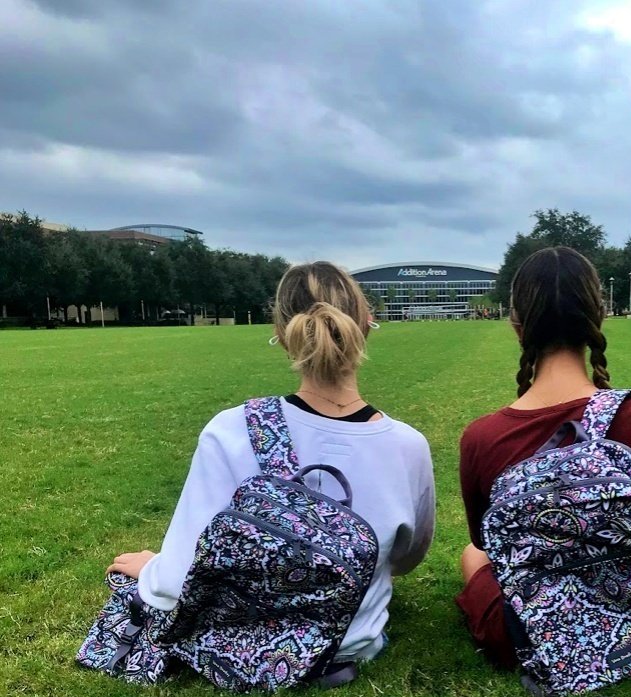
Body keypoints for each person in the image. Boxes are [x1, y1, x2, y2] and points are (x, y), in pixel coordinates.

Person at [106, 260, 435, 670]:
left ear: (281, 334)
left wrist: (152, 568)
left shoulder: (232, 430)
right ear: (366, 324)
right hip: (351, 644)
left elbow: (175, 583)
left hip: (245, 641)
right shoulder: (408, 445)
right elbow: (404, 559)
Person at [456, 246, 631, 670]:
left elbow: (491, 549)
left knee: (472, 553)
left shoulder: (483, 437)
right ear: (598, 318)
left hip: (533, 637)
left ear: (516, 326)